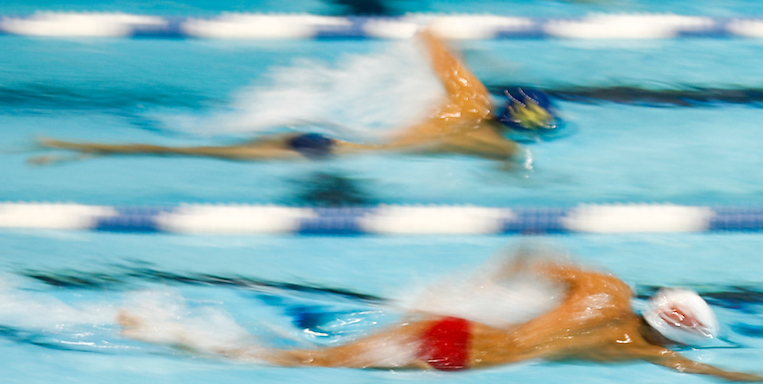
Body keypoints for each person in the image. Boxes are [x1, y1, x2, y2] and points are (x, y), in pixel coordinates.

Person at [117, 251, 763, 384]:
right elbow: (710, 372)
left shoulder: (605, 286)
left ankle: (172, 330)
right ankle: (170, 336)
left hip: (466, 332)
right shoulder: (641, 351)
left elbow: (529, 254)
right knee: (303, 364)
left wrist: (479, 283)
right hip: (466, 361)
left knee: (311, 356)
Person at [30, 30, 556, 165]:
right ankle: (82, 146)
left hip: (334, 107)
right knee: (195, 151)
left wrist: (490, 59)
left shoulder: (468, 93)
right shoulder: (498, 147)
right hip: (336, 143)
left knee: (193, 140)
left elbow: (429, 37)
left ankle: (74, 139)